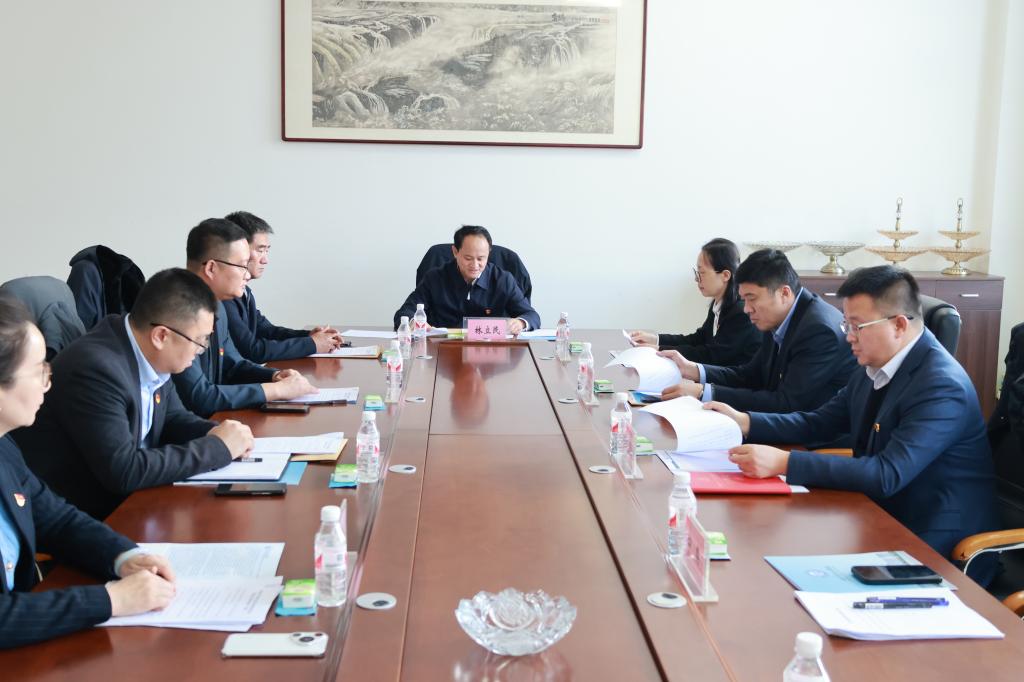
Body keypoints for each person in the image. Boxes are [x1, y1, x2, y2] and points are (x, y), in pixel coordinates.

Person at [709, 266, 1000, 581]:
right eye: (846, 324)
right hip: (878, 515)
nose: (848, 336)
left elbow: (887, 474)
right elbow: (819, 422)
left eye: (858, 326)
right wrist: (746, 422)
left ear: (899, 325)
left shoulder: (941, 386)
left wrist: (785, 462)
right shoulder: (875, 365)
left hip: (937, 542)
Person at [0, 293, 178, 648]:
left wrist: (126, 557)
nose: (48, 382)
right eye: (38, 371)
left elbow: (56, 519)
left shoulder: (5, 447)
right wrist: (112, 600)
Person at [13, 269, 254, 520]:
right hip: (84, 515)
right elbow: (123, 471)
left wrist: (218, 433)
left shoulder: (146, 352)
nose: (201, 350)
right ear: (161, 336)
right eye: (200, 341)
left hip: (132, 501)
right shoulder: (96, 369)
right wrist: (217, 448)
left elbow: (173, 419)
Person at [659, 249, 857, 418]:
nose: (746, 309)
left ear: (784, 293)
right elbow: (750, 375)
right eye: (744, 299)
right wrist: (693, 370)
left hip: (814, 439)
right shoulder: (780, 315)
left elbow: (787, 403)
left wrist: (704, 392)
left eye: (752, 298)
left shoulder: (818, 330)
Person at [173, 219, 316, 417]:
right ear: (211, 268)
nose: (247, 276)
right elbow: (200, 397)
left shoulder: (217, 306)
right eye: (242, 266)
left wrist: (275, 376)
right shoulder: (176, 313)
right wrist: (276, 390)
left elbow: (234, 365)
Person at [223, 211, 344, 362]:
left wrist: (310, 336)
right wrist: (312, 344)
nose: (265, 260)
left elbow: (267, 330)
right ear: (239, 248)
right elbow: (252, 350)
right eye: (260, 250)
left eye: (267, 251)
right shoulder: (224, 296)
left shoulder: (245, 291)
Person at [629, 238, 762, 366]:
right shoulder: (718, 304)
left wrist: (658, 350)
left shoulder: (742, 312)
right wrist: (655, 339)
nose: (697, 279)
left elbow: (711, 356)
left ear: (725, 275)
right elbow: (698, 339)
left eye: (702, 272)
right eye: (697, 272)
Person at [393, 225, 540, 334]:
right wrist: (413, 323)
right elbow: (404, 313)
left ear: (489, 253)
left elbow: (532, 316)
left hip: (489, 351)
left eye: (481, 258)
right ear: (455, 252)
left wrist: (521, 322)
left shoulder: (503, 280)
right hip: (443, 350)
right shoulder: (435, 278)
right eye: (468, 258)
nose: (475, 265)